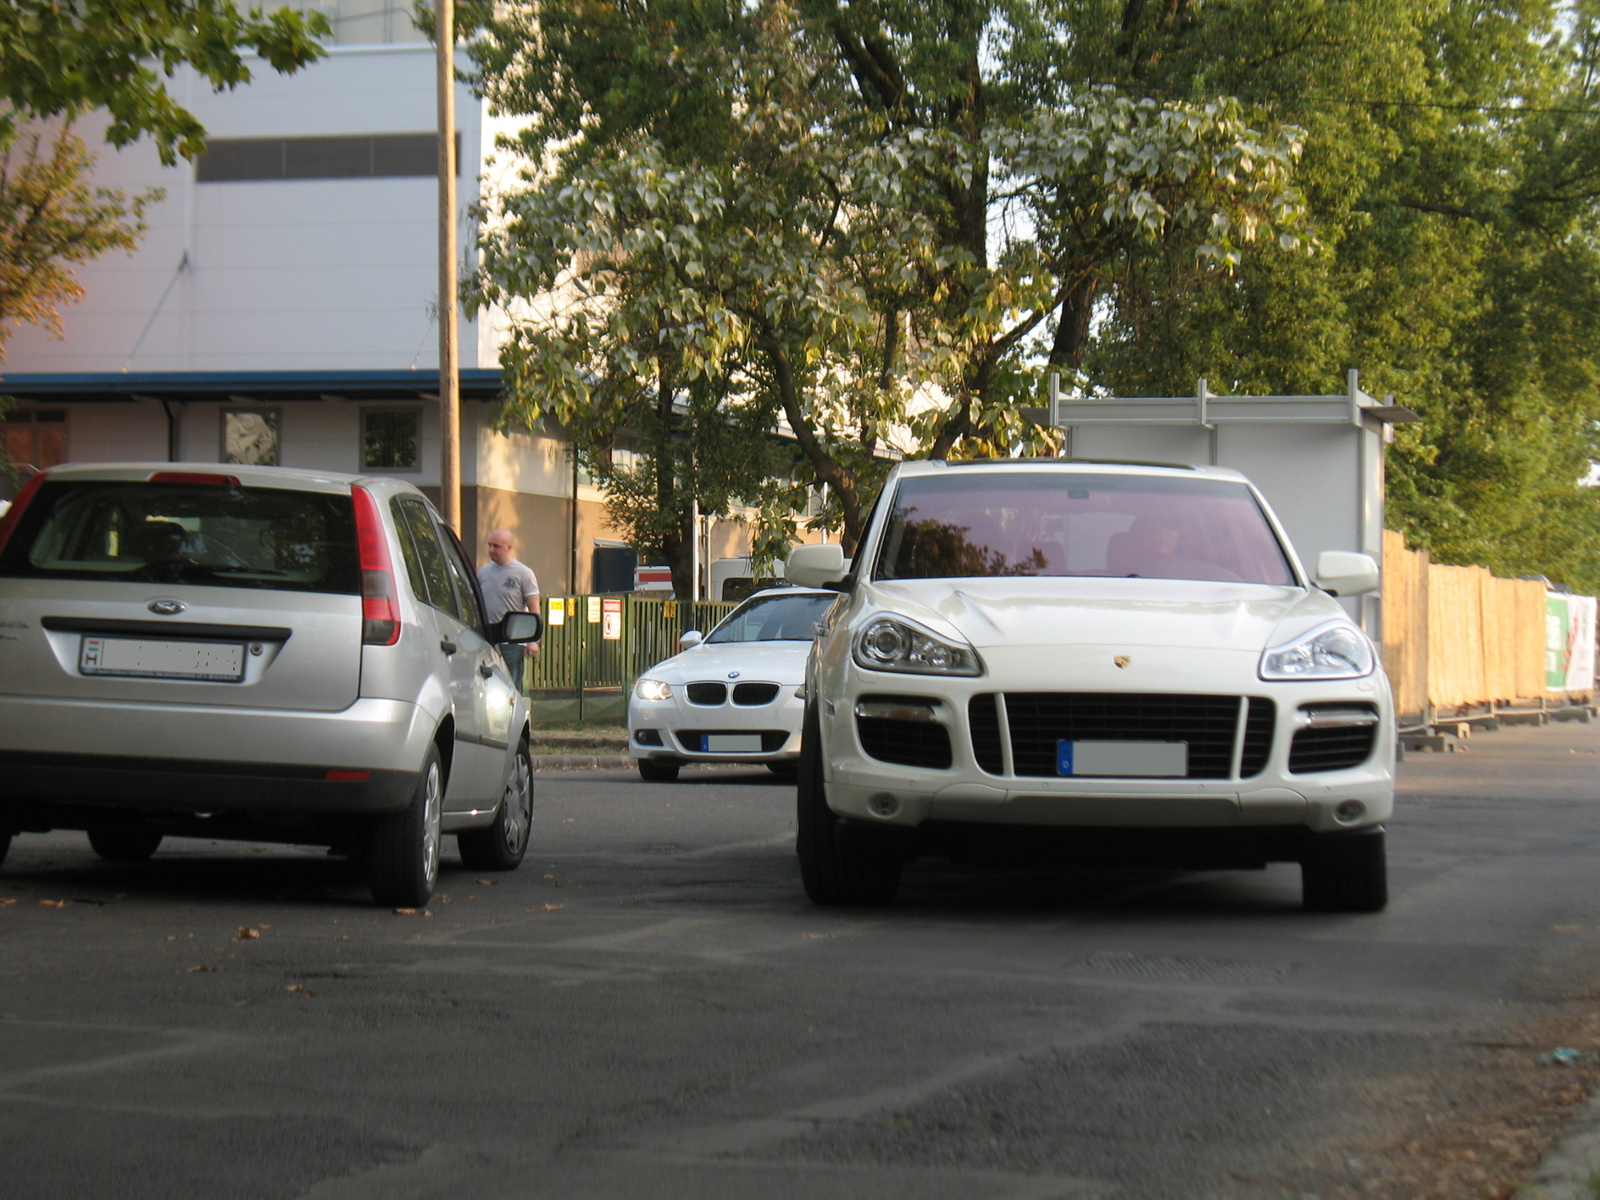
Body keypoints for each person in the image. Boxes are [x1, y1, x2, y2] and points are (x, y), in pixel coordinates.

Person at [478, 528, 540, 689]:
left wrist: (532, 640)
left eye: (496, 546)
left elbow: (533, 607)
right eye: (489, 545)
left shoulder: (523, 573)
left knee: (511, 686)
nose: (491, 550)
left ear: (509, 547)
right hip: (487, 639)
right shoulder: (483, 572)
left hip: (512, 640)